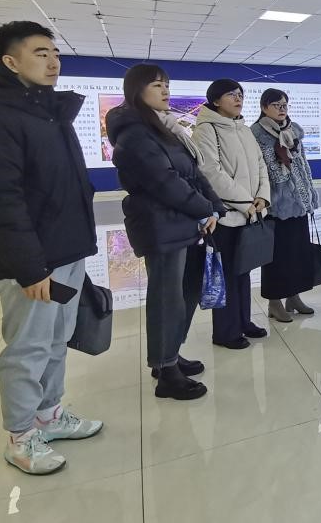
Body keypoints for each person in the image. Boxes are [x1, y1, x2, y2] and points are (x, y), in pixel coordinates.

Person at [0, 21, 101, 475]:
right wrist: (29, 267)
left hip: (66, 251)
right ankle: (20, 437)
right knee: (28, 348)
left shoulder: (48, 114)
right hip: (33, 263)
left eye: (55, 53)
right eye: (40, 53)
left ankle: (49, 416)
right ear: (10, 61)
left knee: (56, 341)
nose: (53, 61)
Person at [106, 64, 222, 400]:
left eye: (166, 84)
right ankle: (166, 372)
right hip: (159, 224)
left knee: (186, 291)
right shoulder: (134, 135)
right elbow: (165, 182)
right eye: (157, 85)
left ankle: (170, 354)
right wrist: (203, 209)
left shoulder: (165, 128)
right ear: (136, 90)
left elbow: (194, 174)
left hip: (184, 221)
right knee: (167, 297)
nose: (165, 90)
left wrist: (213, 207)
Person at [193, 79, 271, 348]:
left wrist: (262, 197)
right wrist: (245, 202)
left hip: (249, 212)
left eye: (240, 94)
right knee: (226, 275)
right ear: (215, 100)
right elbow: (211, 173)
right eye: (231, 95)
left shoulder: (243, 128)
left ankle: (243, 321)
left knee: (243, 271)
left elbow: (260, 165)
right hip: (226, 216)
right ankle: (226, 332)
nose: (238, 99)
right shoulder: (206, 130)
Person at [251, 88, 319, 322]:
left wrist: (308, 193)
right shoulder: (257, 134)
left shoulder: (293, 130)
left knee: (297, 252)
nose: (282, 109)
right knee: (277, 256)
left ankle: (293, 296)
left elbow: (303, 164)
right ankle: (274, 302)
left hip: (299, 202)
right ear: (264, 107)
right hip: (275, 205)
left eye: (284, 105)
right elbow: (261, 170)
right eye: (276, 105)